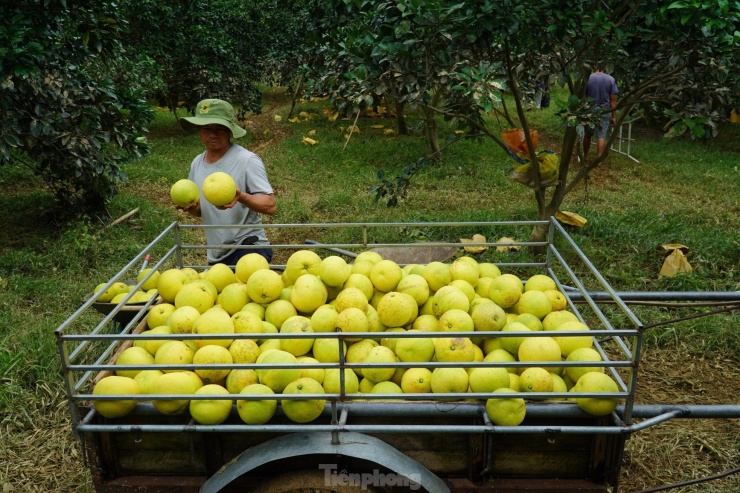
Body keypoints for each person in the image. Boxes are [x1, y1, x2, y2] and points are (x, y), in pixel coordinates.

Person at [178, 98, 276, 266]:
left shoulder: (246, 160)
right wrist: (192, 208)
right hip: (216, 253)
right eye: (206, 129)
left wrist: (241, 196)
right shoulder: (197, 163)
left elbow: (270, 205)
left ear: (230, 130)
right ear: (199, 130)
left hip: (248, 246)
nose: (213, 134)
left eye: (220, 129)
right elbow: (203, 210)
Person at [583, 66, 618, 160]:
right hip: (604, 111)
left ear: (594, 66)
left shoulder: (588, 78)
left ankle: (585, 155)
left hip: (589, 110)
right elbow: (613, 100)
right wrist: (614, 116)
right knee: (601, 136)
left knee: (587, 134)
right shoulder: (610, 79)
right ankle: (599, 158)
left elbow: (583, 96)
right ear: (605, 68)